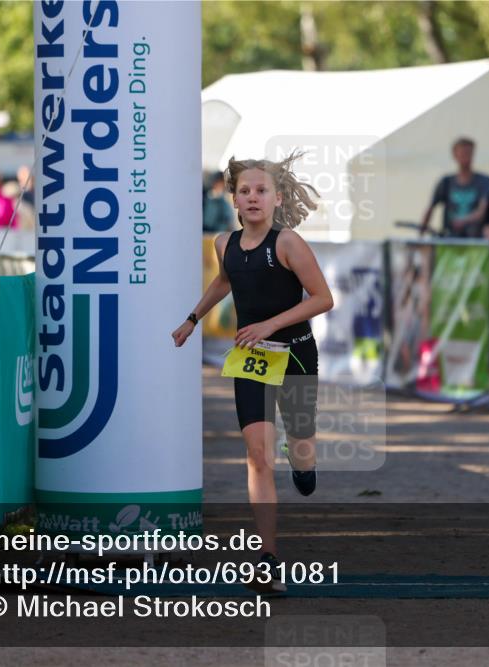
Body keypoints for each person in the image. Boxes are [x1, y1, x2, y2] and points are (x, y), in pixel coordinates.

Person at [171, 152, 333, 592]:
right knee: (257, 455)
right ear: (233, 200)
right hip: (253, 360)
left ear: (277, 198)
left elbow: (323, 299)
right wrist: (193, 318)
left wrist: (270, 324)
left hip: (296, 354)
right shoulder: (223, 244)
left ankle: (301, 456)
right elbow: (225, 280)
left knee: (300, 447)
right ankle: (267, 559)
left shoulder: (288, 244)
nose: (253, 197)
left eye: (261, 190)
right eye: (245, 191)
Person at [419, 137, 489, 238]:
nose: (466, 157)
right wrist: (420, 235)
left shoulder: (484, 181)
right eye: (462, 153)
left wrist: (464, 221)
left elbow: (483, 210)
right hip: (450, 240)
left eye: (469, 153)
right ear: (454, 155)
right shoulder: (446, 182)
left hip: (476, 243)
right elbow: (430, 209)